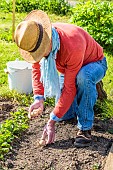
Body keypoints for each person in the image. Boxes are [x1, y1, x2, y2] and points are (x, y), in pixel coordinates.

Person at [14, 10, 107, 147]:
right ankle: (85, 96)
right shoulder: (35, 37)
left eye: (41, 53)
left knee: (83, 77)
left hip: (93, 63)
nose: (40, 56)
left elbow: (69, 89)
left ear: (48, 42)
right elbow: (36, 68)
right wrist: (38, 98)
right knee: (64, 115)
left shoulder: (72, 44)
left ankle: (85, 128)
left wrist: (51, 122)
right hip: (68, 67)